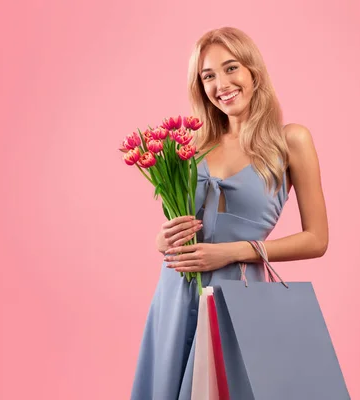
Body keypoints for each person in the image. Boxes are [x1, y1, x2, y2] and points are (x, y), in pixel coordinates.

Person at [130, 26, 329, 399]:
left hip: (239, 293)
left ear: (253, 71)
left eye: (231, 68)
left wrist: (234, 251)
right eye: (208, 76)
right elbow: (179, 224)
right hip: (176, 292)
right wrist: (164, 238)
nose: (221, 83)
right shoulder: (193, 145)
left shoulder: (291, 140)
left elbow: (317, 239)